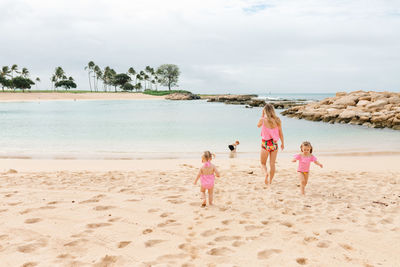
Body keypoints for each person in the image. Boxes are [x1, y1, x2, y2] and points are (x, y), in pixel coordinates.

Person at [257, 104, 284, 186]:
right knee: (272, 164)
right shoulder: (277, 120)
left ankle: (266, 174)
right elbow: (280, 133)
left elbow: (258, 126)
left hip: (265, 143)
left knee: (262, 163)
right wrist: (282, 143)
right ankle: (270, 181)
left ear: (265, 111)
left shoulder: (263, 120)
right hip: (274, 144)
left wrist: (262, 115)